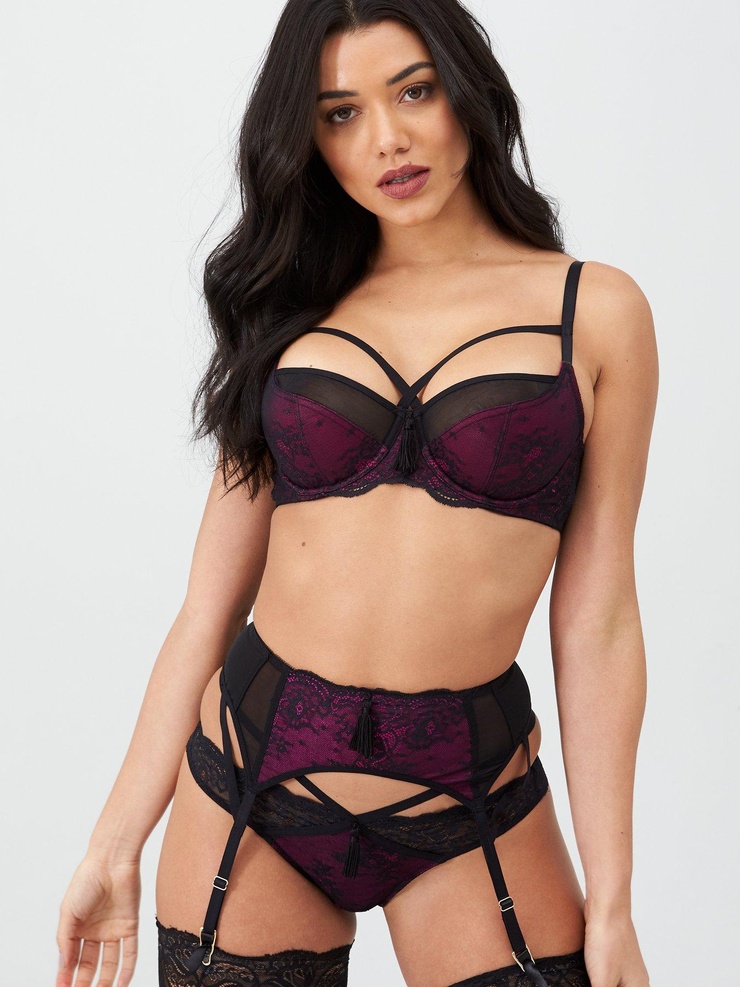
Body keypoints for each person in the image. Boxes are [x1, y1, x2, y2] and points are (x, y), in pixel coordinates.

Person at [56, 2, 658, 985]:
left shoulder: (593, 312)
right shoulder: (291, 310)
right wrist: (114, 843)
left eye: (413, 91)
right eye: (339, 113)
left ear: (467, 92)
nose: (385, 139)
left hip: (470, 796)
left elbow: (597, 616)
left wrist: (616, 901)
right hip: (248, 784)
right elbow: (208, 605)